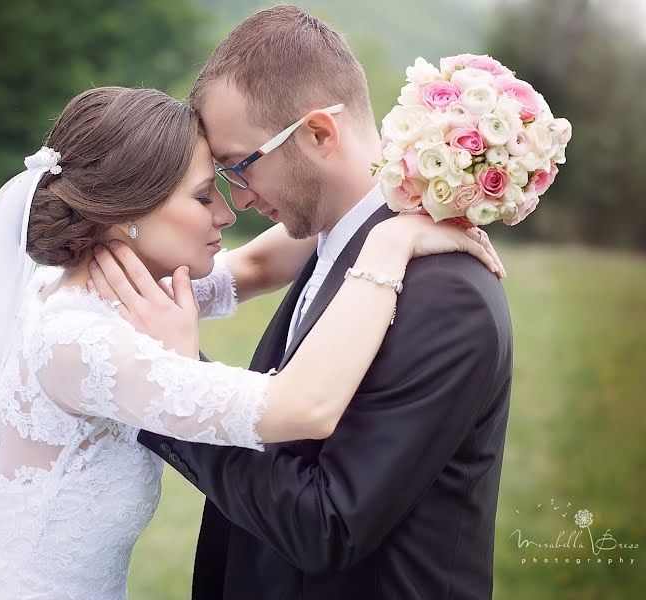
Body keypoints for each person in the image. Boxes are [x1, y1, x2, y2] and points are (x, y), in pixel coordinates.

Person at [0, 85, 501, 599]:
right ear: (124, 211)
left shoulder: (112, 291)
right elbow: (305, 407)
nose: (228, 212)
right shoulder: (80, 343)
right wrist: (390, 247)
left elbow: (256, 264)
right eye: (205, 196)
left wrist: (411, 183)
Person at [119, 6, 514, 600]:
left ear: (318, 134)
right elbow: (250, 265)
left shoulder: (445, 296)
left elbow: (327, 526)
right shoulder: (335, 240)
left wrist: (173, 384)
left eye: (239, 167)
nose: (239, 200)